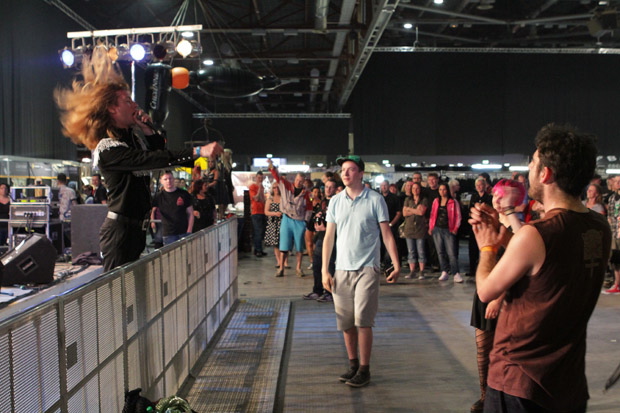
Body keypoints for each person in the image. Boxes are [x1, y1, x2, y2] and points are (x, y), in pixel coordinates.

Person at [470, 123, 611, 413]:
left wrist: (487, 246)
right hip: (566, 383)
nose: (530, 168)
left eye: (533, 163)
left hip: (519, 382)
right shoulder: (599, 227)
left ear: (546, 173)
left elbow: (485, 290)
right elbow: (549, 264)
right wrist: (507, 217)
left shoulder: (538, 234)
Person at [54, 46, 222, 271]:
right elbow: (151, 160)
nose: (135, 105)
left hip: (137, 230)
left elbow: (158, 151)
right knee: (117, 294)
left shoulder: (134, 137)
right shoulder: (108, 149)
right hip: (119, 232)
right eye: (127, 102)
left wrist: (148, 128)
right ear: (112, 109)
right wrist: (198, 152)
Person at [322, 155, 400, 388]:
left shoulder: (375, 200)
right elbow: (329, 237)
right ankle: (353, 364)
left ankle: (365, 369)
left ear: (361, 174)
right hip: (341, 268)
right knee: (346, 322)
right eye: (343, 170)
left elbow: (386, 234)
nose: (345, 173)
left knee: (363, 320)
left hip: (367, 267)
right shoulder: (335, 201)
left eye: (351, 169)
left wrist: (396, 264)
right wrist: (325, 270)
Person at [470, 178, 525, 413]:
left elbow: (519, 269)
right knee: (483, 352)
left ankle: (498, 397)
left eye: (505, 196)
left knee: (503, 353)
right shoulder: (492, 224)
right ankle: (484, 395)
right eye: (496, 195)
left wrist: (498, 297)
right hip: (485, 291)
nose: (499, 200)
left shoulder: (520, 229)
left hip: (505, 296)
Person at [267, 159, 312, 277]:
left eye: (301, 181)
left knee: (299, 245)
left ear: (304, 182)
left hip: (299, 221)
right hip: (286, 218)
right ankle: (281, 267)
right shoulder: (286, 185)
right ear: (295, 179)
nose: (298, 182)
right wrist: (272, 166)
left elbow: (309, 208)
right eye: (297, 180)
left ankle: (298, 268)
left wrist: (306, 221)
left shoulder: (306, 194)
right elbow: (277, 176)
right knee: (284, 244)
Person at [303, 179, 338, 302]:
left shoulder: (337, 202)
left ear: (335, 189)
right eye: (326, 187)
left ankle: (330, 292)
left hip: (332, 238)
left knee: (330, 266)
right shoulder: (321, 203)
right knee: (317, 265)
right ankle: (317, 290)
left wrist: (326, 227)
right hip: (321, 237)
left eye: (331, 187)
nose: (328, 189)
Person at [429, 182, 463, 282]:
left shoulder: (453, 201)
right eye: (440, 189)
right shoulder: (436, 201)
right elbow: (432, 215)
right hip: (437, 229)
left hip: (449, 229)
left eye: (444, 189)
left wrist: (456, 228)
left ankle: (456, 273)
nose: (442, 191)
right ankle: (444, 271)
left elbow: (458, 216)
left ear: (447, 190)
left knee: (451, 252)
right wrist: (431, 227)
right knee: (440, 252)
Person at [151, 171, 194, 246]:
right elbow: (153, 209)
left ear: (173, 179)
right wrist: (152, 221)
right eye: (165, 179)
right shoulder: (158, 197)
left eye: (170, 178)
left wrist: (189, 230)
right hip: (168, 234)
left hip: (184, 232)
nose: (168, 181)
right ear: (161, 181)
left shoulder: (184, 194)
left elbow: (190, 213)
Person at [402, 181, 428, 279]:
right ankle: (412, 271)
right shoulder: (407, 199)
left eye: (417, 188)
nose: (415, 190)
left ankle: (421, 271)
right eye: (413, 188)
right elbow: (404, 213)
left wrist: (410, 210)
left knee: (421, 251)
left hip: (420, 229)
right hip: (409, 229)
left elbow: (421, 212)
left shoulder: (424, 200)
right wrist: (415, 210)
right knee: (411, 251)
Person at [604, 176, 620, 294]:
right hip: (615, 232)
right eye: (616, 181)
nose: (618, 183)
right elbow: (609, 215)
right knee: (615, 259)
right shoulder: (612, 198)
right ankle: (617, 283)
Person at [264, 185, 284, 268]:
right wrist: (275, 213)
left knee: (283, 242)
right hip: (273, 222)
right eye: (274, 187)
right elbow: (266, 212)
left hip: (282, 222)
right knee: (275, 243)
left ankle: (284, 261)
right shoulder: (270, 199)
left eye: (278, 187)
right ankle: (279, 261)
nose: (276, 189)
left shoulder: (283, 198)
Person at [249, 171, 268, 257]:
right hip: (256, 212)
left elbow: (262, 199)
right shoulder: (253, 187)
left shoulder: (262, 187)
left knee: (261, 232)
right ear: (256, 177)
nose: (260, 179)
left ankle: (259, 249)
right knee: (257, 231)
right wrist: (259, 189)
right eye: (259, 178)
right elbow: (256, 198)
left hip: (262, 211)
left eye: (261, 178)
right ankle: (258, 250)